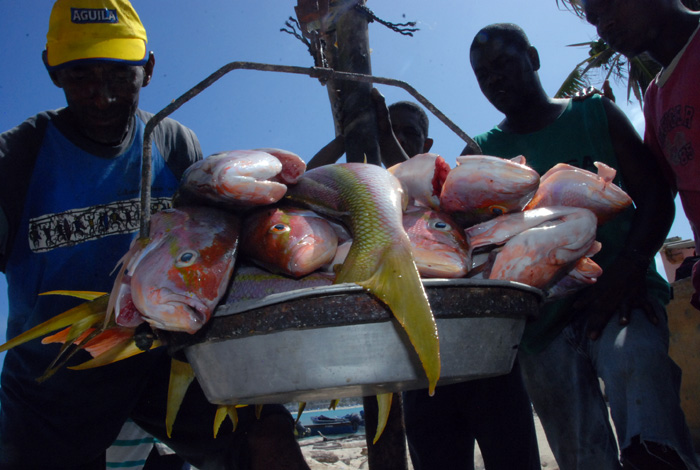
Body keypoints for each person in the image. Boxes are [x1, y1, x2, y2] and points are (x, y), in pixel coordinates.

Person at [0, 1, 309, 469]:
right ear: (52, 70)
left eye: (121, 77)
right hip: (54, 379)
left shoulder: (174, 143)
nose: (103, 97)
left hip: (164, 358)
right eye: (81, 76)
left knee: (267, 434)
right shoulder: (15, 158)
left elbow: (216, 244)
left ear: (148, 70)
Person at [464, 23, 699, 470]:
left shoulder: (595, 114)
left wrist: (627, 271)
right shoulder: (482, 153)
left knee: (644, 394)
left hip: (623, 301)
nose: (494, 79)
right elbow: (464, 234)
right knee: (581, 455)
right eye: (483, 74)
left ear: (532, 58)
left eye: (504, 64)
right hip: (539, 329)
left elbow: (654, 195)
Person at [365, 98, 541, 470]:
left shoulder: (453, 190)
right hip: (421, 371)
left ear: (427, 145)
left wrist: (383, 137)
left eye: (408, 132)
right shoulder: (370, 201)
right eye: (390, 130)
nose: (396, 137)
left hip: (488, 360)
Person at [581, 0, 700, 310]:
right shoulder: (655, 96)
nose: (602, 27)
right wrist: (598, 120)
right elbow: (656, 189)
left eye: (607, 7)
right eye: (593, 19)